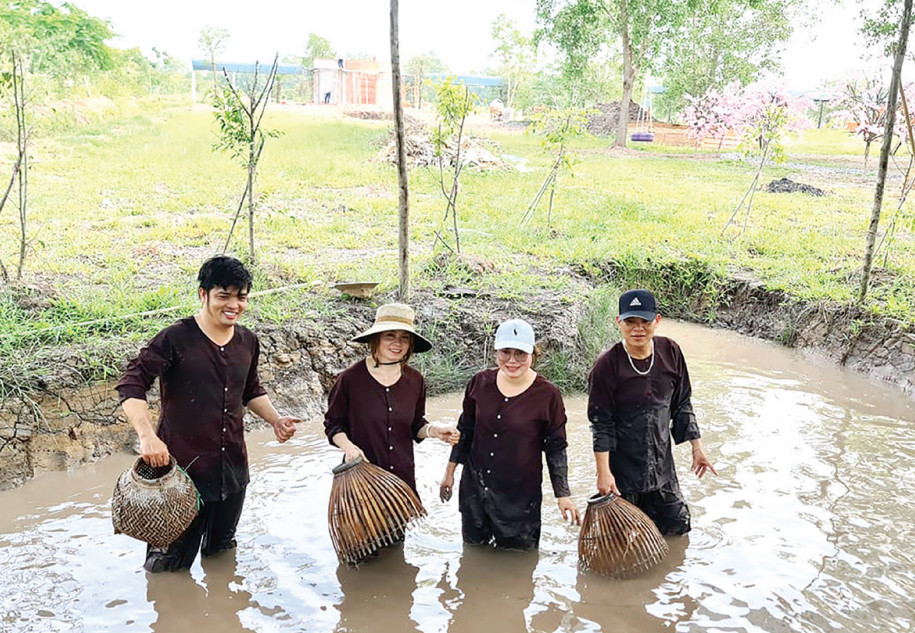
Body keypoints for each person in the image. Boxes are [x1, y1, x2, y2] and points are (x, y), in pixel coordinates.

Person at [116, 255, 300, 573]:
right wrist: (147, 437)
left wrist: (275, 419)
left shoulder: (247, 341)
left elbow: (250, 390)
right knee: (167, 568)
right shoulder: (175, 338)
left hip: (233, 475)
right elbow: (131, 385)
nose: (234, 305)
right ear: (204, 294)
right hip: (180, 480)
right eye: (223, 295)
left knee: (221, 557)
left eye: (241, 297)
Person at [441, 318, 580, 550]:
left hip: (519, 498)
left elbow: (556, 447)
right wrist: (449, 473)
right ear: (496, 351)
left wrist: (562, 494)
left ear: (532, 354)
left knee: (519, 564)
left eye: (520, 353)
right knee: (472, 556)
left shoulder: (548, 395)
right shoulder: (479, 382)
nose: (512, 361)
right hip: (475, 491)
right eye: (506, 352)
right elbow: (465, 430)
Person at [587, 289, 717, 536]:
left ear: (657, 320)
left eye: (645, 322)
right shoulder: (606, 365)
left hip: (662, 468)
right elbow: (600, 423)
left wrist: (697, 448)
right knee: (623, 539)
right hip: (623, 471)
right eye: (630, 322)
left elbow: (682, 403)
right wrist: (603, 474)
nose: (638, 329)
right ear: (619, 322)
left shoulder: (670, 352)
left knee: (677, 529)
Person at [324, 303, 459, 495]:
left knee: (399, 526)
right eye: (390, 335)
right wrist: (349, 448)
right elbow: (333, 425)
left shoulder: (415, 380)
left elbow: (415, 425)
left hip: (401, 482)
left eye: (404, 338)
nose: (398, 343)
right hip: (362, 480)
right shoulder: (350, 379)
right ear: (376, 338)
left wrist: (434, 431)